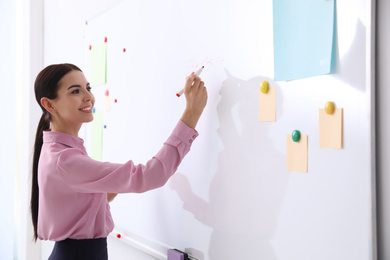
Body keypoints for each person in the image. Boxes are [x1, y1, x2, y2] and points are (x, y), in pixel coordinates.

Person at [30, 63, 207, 259]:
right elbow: (150, 176)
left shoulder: (58, 150)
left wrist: (104, 191)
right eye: (75, 91)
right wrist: (192, 113)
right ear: (49, 104)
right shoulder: (64, 159)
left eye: (88, 88)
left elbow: (76, 204)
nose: (88, 97)